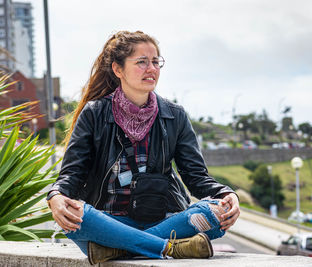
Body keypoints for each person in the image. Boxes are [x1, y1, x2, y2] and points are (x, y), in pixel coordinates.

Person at [47, 30, 240, 265]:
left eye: (155, 62)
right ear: (118, 70)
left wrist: (225, 194)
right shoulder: (95, 113)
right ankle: (169, 248)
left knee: (216, 212)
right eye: (141, 62)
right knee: (77, 214)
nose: (152, 69)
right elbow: (72, 174)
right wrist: (56, 196)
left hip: (165, 220)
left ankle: (120, 249)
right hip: (109, 222)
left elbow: (196, 176)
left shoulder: (175, 115)